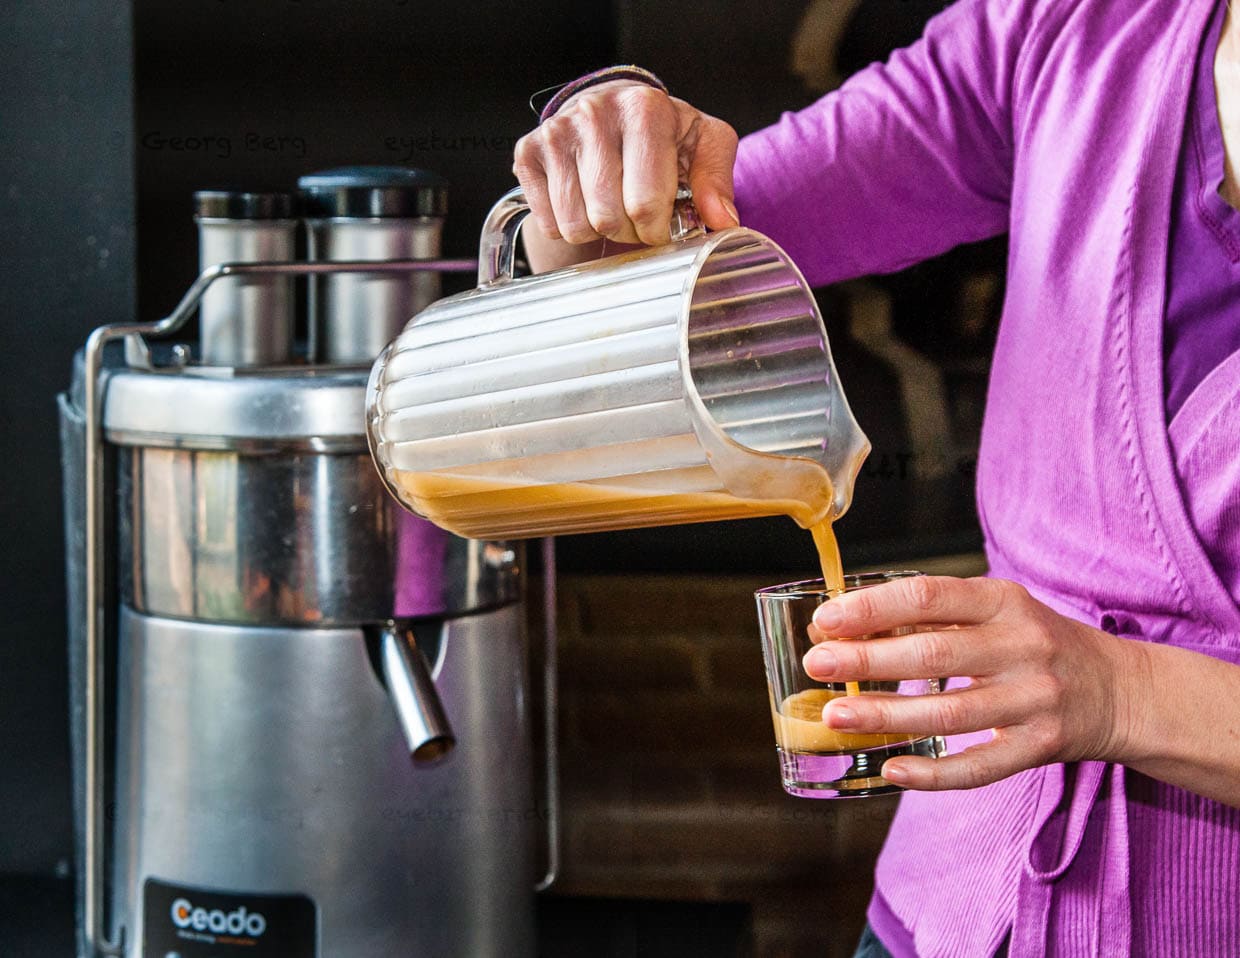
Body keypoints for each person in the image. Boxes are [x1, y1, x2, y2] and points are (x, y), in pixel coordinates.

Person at [510, 0, 1240, 955]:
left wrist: (1121, 692)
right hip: (954, 909)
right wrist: (612, 152)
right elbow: (671, 250)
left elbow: (1109, 685)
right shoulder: (1074, 27)